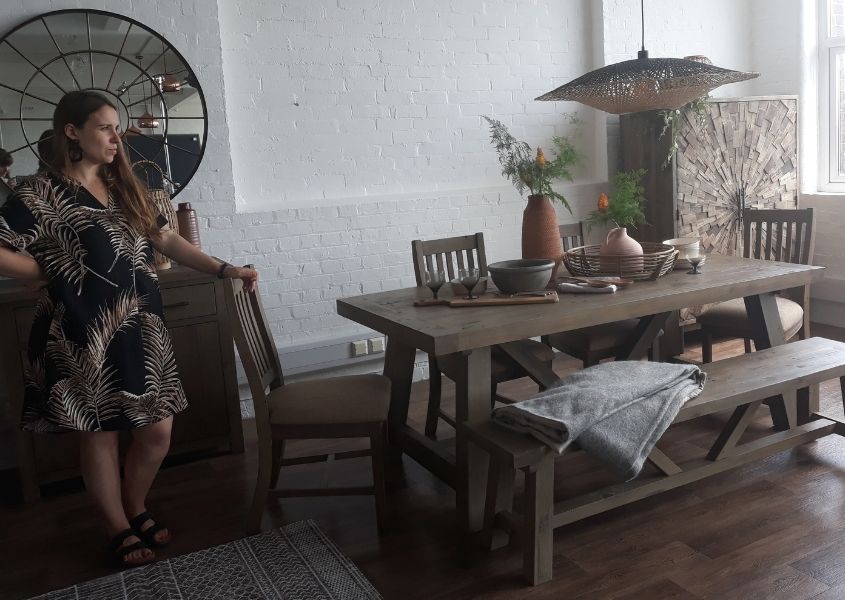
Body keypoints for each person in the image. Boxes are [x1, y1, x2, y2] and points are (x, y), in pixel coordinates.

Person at [0, 91, 258, 568]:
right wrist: (39, 272)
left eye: (116, 127)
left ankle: (134, 503)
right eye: (105, 127)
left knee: (158, 431)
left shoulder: (124, 186)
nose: (116, 137)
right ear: (72, 132)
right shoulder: (38, 193)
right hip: (82, 333)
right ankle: (116, 524)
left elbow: (168, 240)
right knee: (99, 434)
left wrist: (225, 270)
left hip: (141, 327)